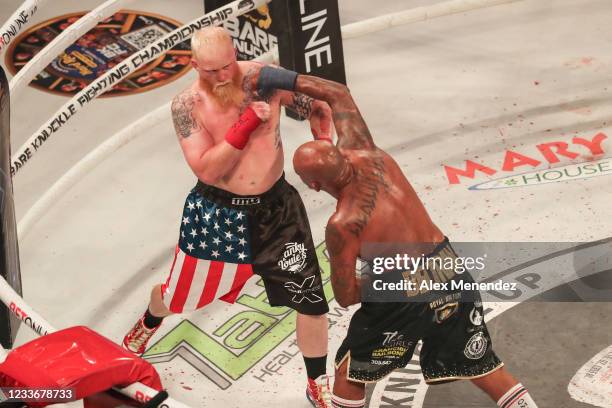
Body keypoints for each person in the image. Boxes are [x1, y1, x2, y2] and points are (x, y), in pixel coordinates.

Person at [254, 67, 539, 408]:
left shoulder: (343, 224)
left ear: (312, 184)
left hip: (400, 294)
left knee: (349, 374)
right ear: (338, 153)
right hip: (449, 269)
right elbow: (338, 93)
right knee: (481, 365)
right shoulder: (372, 154)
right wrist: (277, 77)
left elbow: (345, 296)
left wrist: (380, 278)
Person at [122, 27, 334, 408]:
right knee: (176, 296)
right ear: (193, 65)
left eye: (227, 66)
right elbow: (206, 169)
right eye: (211, 71)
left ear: (235, 54)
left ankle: (317, 380)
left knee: (311, 301)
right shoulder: (186, 106)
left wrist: (324, 147)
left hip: (278, 210)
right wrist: (246, 123)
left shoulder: (264, 79)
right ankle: (148, 323)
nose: (222, 76)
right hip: (218, 217)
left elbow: (316, 106)